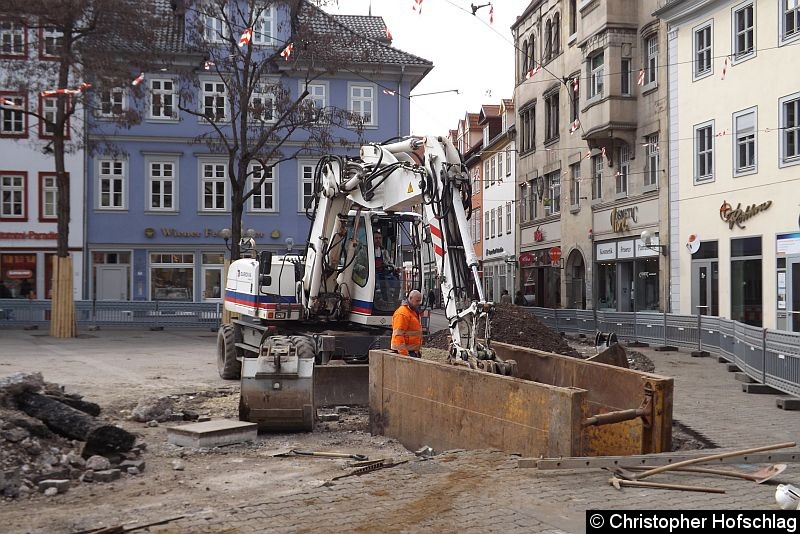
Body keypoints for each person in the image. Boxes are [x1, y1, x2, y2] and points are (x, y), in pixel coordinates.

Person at [391, 289, 423, 358]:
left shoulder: (412, 311)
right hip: (405, 353)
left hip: (411, 351)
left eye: (420, 301)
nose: (419, 303)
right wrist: (405, 355)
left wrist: (416, 350)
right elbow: (398, 336)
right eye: (417, 301)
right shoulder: (402, 313)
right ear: (410, 298)